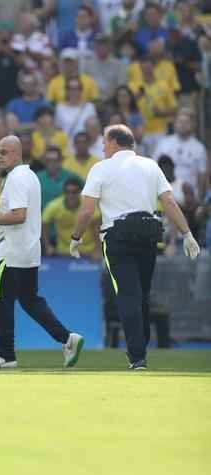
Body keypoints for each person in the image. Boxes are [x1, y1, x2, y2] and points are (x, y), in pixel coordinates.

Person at [69, 124, 200, 369]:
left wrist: (76, 237)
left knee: (128, 295)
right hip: (148, 235)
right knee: (142, 295)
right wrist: (187, 233)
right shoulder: (150, 165)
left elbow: (87, 210)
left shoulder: (100, 168)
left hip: (117, 236)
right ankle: (140, 350)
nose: (102, 147)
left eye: (105, 142)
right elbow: (169, 201)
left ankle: (137, 356)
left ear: (115, 142)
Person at [0, 135, 84, 369]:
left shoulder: (16, 178)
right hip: (28, 252)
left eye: (3, 152)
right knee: (30, 301)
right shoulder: (30, 175)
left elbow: (18, 215)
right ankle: (67, 338)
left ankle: (5, 355)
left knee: (0, 303)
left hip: (11, 253)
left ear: (16, 153)